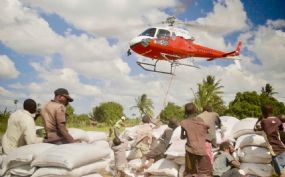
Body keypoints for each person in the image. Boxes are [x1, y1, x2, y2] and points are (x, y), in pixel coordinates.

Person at [180, 102, 212, 177]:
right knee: (202, 172)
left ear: (185, 111)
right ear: (195, 110)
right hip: (201, 150)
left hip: (190, 150)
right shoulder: (200, 121)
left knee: (190, 172)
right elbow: (206, 132)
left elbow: (182, 137)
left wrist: (188, 135)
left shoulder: (184, 123)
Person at [255, 104, 285, 177]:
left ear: (263, 112)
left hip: (274, 150)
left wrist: (259, 119)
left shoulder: (264, 122)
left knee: (280, 173)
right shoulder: (277, 120)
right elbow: (281, 129)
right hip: (282, 147)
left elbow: (255, 129)